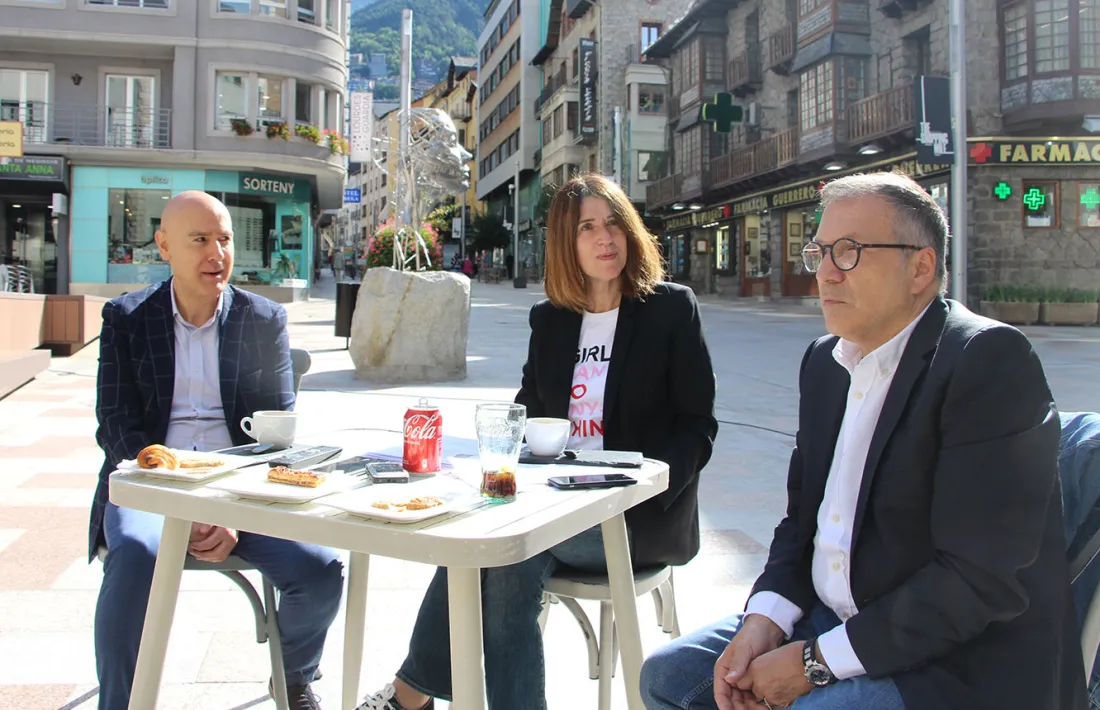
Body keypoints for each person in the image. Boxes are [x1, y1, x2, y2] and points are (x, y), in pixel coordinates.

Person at [640, 171, 1087, 710]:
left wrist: (814, 663)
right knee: (668, 678)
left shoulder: (985, 362)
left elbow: (977, 581)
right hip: (832, 618)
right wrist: (766, 618)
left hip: (956, 659)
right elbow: (801, 521)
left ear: (921, 267)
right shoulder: (825, 363)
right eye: (820, 251)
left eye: (848, 252)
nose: (825, 274)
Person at [356, 173, 718, 710]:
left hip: (636, 512)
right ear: (565, 243)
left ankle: (408, 696)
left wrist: (643, 486)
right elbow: (526, 413)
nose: (606, 240)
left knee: (502, 555)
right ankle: (417, 696)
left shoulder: (669, 308)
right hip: (555, 501)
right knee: (492, 545)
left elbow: (698, 425)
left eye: (615, 224)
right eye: (589, 228)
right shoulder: (551, 320)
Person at [90, 191, 344, 710]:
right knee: (134, 554)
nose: (217, 253)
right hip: (151, 485)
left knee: (321, 568)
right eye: (200, 240)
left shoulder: (263, 318)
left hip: (241, 491)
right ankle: (120, 702)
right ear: (164, 246)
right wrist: (181, 503)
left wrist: (223, 510)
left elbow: (275, 434)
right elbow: (116, 426)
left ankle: (292, 677)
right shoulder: (127, 318)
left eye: (224, 239)